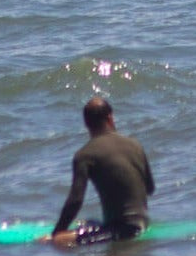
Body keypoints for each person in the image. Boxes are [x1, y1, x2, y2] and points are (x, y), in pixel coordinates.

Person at [44, 96, 155, 247]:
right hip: (143, 223)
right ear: (110, 118)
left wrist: (56, 234)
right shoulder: (135, 145)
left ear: (86, 124)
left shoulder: (84, 155)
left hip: (124, 230)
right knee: (87, 223)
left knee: (60, 241)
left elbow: (75, 200)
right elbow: (149, 188)